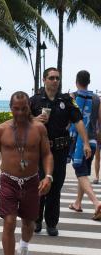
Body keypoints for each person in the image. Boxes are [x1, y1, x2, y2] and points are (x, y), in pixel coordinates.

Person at [0, 91, 53, 255]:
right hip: (8, 181)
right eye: (16, 109)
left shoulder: (39, 128)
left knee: (29, 223)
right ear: (10, 108)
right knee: (9, 222)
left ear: (29, 107)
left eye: (24, 108)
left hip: (32, 181)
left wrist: (48, 176)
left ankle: (24, 247)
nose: (20, 113)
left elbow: (47, 154)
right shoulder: (1, 130)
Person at [30, 67, 92, 236]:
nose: (55, 81)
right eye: (51, 78)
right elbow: (21, 121)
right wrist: (35, 119)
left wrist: (86, 142)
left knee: (55, 187)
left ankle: (51, 223)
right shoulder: (35, 100)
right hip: (40, 151)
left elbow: (78, 120)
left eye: (57, 78)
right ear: (44, 80)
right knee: (39, 184)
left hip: (59, 150)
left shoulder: (65, 100)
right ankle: (36, 220)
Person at [67, 70, 101, 220]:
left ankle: (96, 203)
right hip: (93, 141)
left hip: (79, 141)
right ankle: (77, 203)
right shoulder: (96, 98)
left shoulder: (72, 97)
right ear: (89, 82)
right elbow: (100, 121)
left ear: (76, 81)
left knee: (80, 171)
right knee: (84, 173)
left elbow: (68, 120)